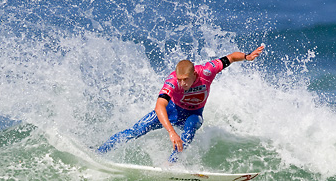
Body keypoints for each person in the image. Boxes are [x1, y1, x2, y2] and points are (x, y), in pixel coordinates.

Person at [97, 44, 265, 163]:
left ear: (194, 74)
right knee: (136, 130)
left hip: (193, 114)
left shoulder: (207, 70)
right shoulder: (172, 81)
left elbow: (231, 57)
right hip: (172, 111)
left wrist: (247, 56)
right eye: (180, 80)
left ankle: (171, 164)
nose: (182, 83)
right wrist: (171, 132)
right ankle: (99, 152)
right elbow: (159, 107)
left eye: (186, 80)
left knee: (191, 127)